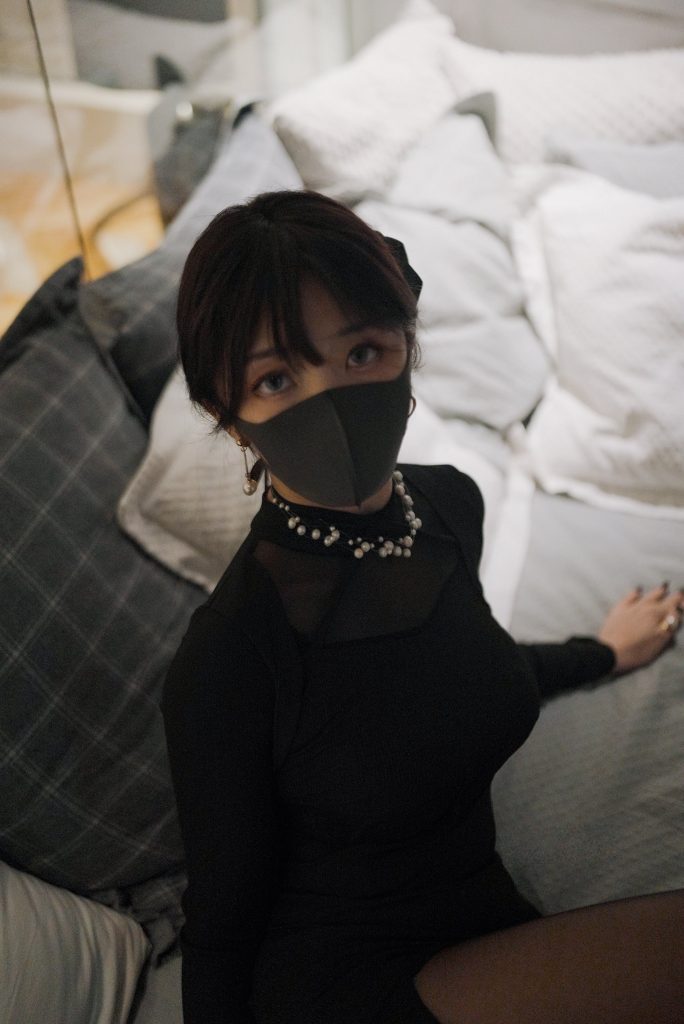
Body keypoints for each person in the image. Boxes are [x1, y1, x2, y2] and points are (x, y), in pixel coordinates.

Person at [161, 189, 684, 1024]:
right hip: (346, 973)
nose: (333, 401)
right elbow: (221, 928)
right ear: (230, 420)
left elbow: (464, 668)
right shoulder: (228, 657)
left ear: (407, 347)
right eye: (276, 378)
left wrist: (602, 650)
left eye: (362, 351)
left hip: (481, 918)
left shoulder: (447, 506)